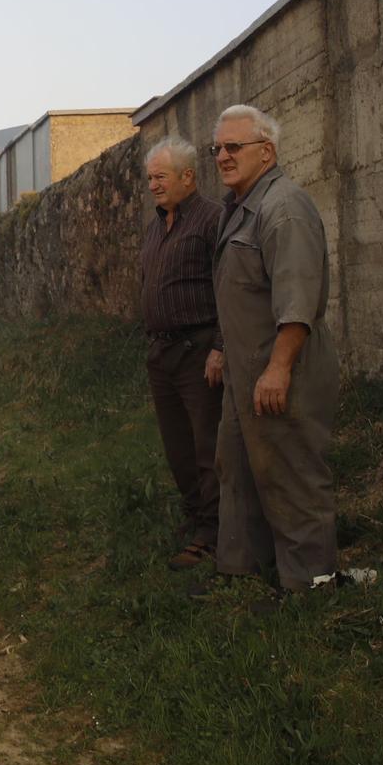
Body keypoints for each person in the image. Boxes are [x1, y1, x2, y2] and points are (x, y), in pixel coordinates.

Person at [207, 104, 340, 595]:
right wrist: (222, 351)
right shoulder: (238, 207)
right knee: (238, 469)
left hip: (284, 371)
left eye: (233, 147)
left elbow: (298, 299)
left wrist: (279, 368)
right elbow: (238, 294)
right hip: (246, 372)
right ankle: (248, 575)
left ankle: (311, 590)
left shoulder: (283, 208)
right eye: (217, 148)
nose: (222, 156)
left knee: (293, 477)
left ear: (267, 151)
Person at [138, 136, 225, 570]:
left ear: (188, 177)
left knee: (207, 443)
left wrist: (220, 348)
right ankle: (196, 518)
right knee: (178, 448)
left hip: (199, 352)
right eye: (150, 177)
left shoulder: (213, 220)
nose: (153, 185)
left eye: (161, 177)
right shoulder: (157, 225)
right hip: (162, 355)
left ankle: (214, 532)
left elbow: (230, 288)